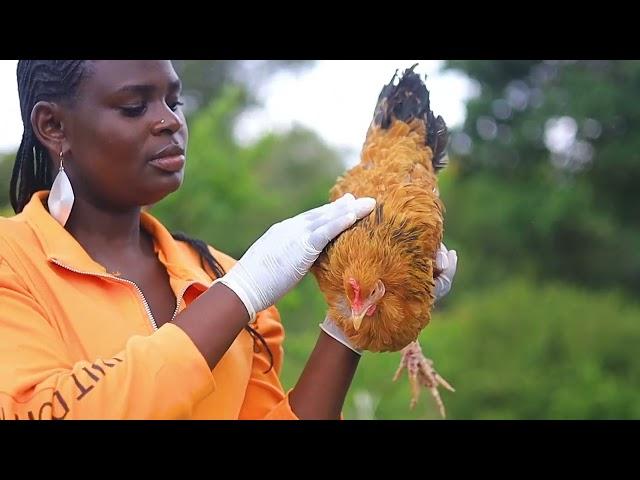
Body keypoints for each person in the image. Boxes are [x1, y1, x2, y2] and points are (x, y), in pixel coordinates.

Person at [0, 60, 457, 420]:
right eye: (134, 106)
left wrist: (348, 328)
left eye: (173, 102)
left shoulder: (217, 272)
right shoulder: (11, 262)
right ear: (53, 126)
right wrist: (239, 295)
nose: (169, 122)